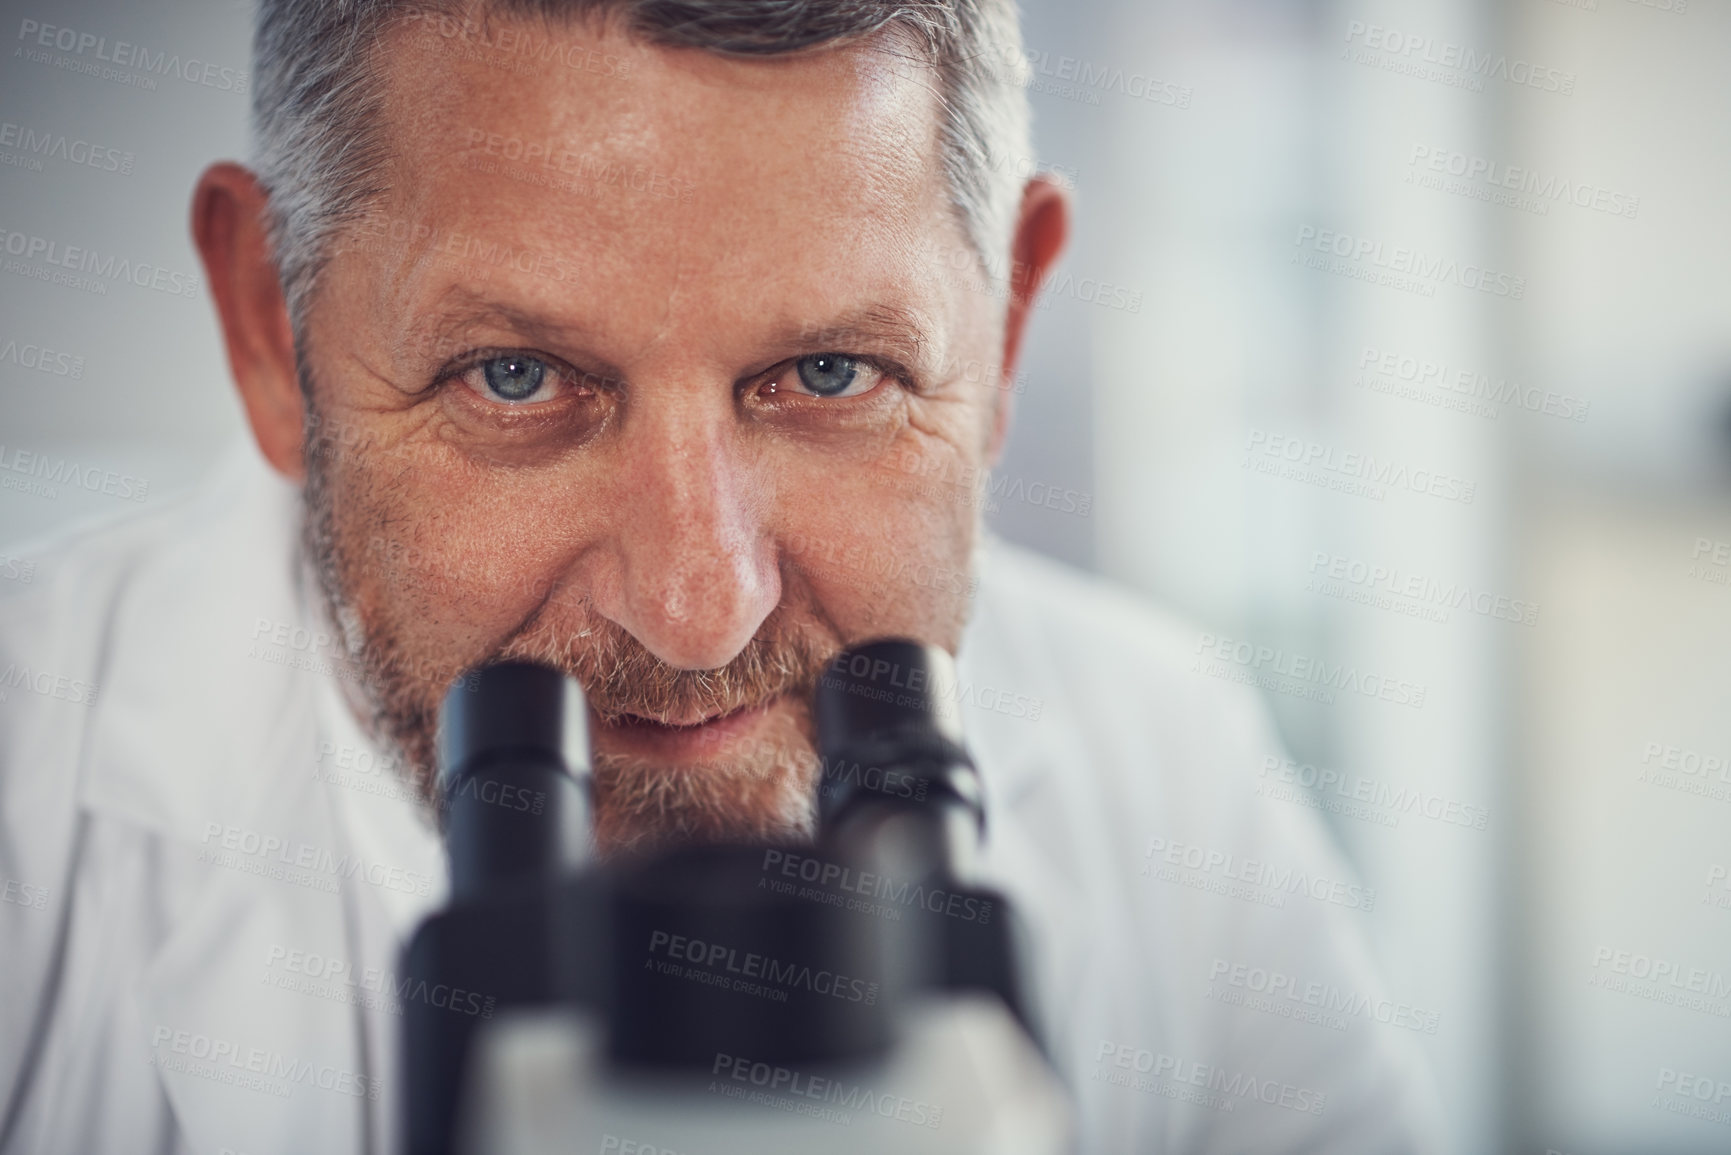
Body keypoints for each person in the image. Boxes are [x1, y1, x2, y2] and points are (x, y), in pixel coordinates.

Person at [0, 1, 1441, 1151]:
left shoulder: (1166, 757)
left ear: (1003, 329)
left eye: (832, 373)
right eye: (515, 378)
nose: (700, 609)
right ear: (271, 327)